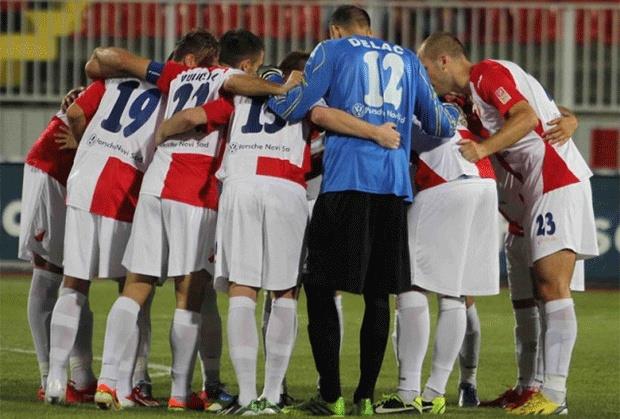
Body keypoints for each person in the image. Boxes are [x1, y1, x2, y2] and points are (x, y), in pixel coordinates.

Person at [158, 46, 401, 414]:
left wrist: (161, 133)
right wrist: (375, 133)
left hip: (240, 184)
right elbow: (325, 116)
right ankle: (272, 396)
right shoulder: (304, 94)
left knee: (242, 288)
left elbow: (195, 115)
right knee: (284, 292)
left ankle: (245, 397)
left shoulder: (240, 95)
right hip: (285, 187)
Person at [84, 29, 301, 412]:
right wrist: (283, 89)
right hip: (194, 192)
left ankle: (108, 381)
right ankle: (181, 393)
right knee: (189, 296)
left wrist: (160, 133)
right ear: (247, 66)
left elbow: (117, 58)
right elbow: (197, 113)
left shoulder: (178, 74)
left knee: (136, 285)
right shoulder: (230, 89)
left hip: (154, 185)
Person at [267, 5, 460, 415]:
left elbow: (294, 106)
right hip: (393, 186)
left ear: (336, 30)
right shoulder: (408, 58)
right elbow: (439, 124)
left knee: (320, 287)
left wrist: (278, 92)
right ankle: (366, 398)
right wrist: (455, 112)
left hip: (346, 180)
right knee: (378, 294)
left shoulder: (331, 50)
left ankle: (331, 395)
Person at [418, 32, 598, 415]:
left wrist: (484, 148)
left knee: (551, 286)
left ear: (444, 61)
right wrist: (569, 116)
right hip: (524, 200)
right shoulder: (467, 99)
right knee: (524, 298)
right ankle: (528, 386)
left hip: (555, 181)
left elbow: (528, 116)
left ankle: (555, 393)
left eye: (426, 66)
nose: (425, 75)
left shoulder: (486, 73)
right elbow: (547, 106)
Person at [44, 67, 166, 405]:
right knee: (133, 286)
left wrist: (85, 141)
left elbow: (74, 112)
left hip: (84, 179)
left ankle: (56, 379)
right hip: (125, 186)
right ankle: (122, 384)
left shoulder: (109, 81)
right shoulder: (170, 93)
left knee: (74, 281)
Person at [374, 118, 499, 415]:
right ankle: (435, 392)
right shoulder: (457, 106)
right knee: (455, 293)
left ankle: (408, 392)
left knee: (410, 285)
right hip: (484, 181)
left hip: (446, 182)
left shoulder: (405, 103)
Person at [18, 87, 101, 404]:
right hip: (53, 167)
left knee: (77, 277)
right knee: (49, 272)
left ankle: (83, 375)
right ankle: (48, 378)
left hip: (78, 174)